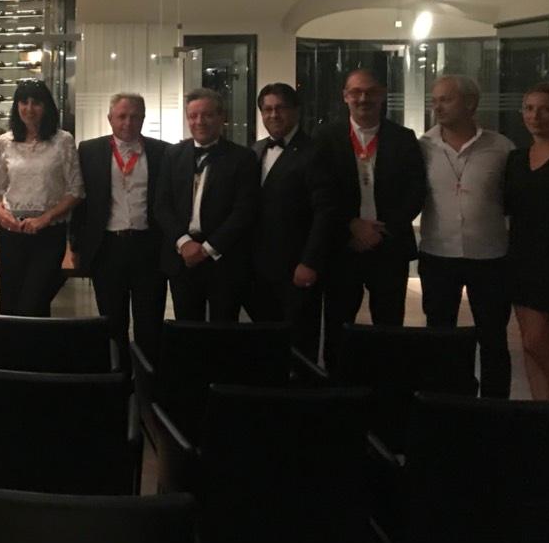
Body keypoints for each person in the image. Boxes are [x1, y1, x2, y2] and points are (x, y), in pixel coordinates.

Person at [314, 69, 426, 369]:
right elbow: (322, 191)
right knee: (337, 325)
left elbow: (416, 191)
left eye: (370, 92)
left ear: (382, 95)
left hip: (389, 245)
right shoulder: (325, 138)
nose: (363, 98)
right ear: (345, 97)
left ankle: (387, 387)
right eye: (356, 92)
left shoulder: (403, 138)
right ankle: (336, 385)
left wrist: (381, 229)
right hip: (342, 246)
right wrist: (351, 225)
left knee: (389, 328)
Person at [419, 75, 514, 398]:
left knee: (493, 337)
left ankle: (494, 407)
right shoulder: (423, 147)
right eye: (435, 100)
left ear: (471, 103)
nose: (437, 106)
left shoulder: (501, 147)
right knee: (440, 336)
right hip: (438, 253)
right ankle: (446, 401)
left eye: (446, 99)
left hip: (490, 255)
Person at [70, 92, 169, 362]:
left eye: (135, 116)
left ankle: (149, 378)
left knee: (150, 322)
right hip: (107, 247)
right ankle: (118, 377)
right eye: (122, 116)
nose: (128, 122)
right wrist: (76, 244)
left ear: (143, 118)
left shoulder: (162, 152)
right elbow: (81, 201)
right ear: (110, 118)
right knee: (112, 323)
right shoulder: (89, 150)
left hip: (149, 247)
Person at [154, 87, 259, 322]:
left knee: (224, 329)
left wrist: (207, 249)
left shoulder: (242, 158)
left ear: (222, 117)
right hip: (182, 259)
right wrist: (184, 243)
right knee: (187, 329)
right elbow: (162, 205)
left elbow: (244, 210)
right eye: (193, 116)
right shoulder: (172, 154)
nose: (199, 121)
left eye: (207, 115)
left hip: (224, 258)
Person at [250, 83, 330, 361]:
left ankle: (302, 388)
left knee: (300, 345)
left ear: (296, 111)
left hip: (297, 267)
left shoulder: (315, 152)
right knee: (266, 343)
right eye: (267, 109)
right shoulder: (256, 150)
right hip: (259, 268)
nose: (274, 114)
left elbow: (325, 213)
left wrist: (310, 262)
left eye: (280, 108)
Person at [0, 80, 83, 317]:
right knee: (10, 305)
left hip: (48, 233)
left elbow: (76, 191)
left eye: (36, 103)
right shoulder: (5, 142)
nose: (29, 109)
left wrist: (45, 218)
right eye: (24, 102)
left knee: (34, 303)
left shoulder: (63, 141)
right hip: (12, 232)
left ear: (47, 106)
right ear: (16, 106)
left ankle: (37, 343)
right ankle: (10, 344)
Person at [503, 82, 549, 401]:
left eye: (546, 109)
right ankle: (541, 415)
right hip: (523, 259)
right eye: (530, 108)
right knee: (529, 346)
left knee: (539, 342)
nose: (536, 116)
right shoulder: (516, 159)